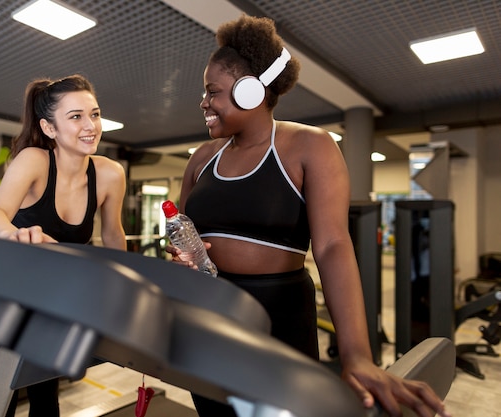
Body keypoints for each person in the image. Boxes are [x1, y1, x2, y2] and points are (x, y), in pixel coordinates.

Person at [167, 15, 450, 417]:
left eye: (213, 91)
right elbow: (183, 237)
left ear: (251, 92)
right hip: (209, 315)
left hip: (278, 315)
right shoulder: (200, 159)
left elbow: (333, 246)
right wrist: (180, 259)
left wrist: (357, 355)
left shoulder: (308, 147)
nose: (204, 102)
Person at [0, 74, 127, 417]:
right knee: (4, 392)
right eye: (75, 117)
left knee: (46, 390)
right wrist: (13, 235)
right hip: (10, 291)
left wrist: (127, 294)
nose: (90, 125)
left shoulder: (109, 174)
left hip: (56, 296)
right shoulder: (34, 160)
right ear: (49, 128)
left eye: (95, 113)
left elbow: (114, 237)